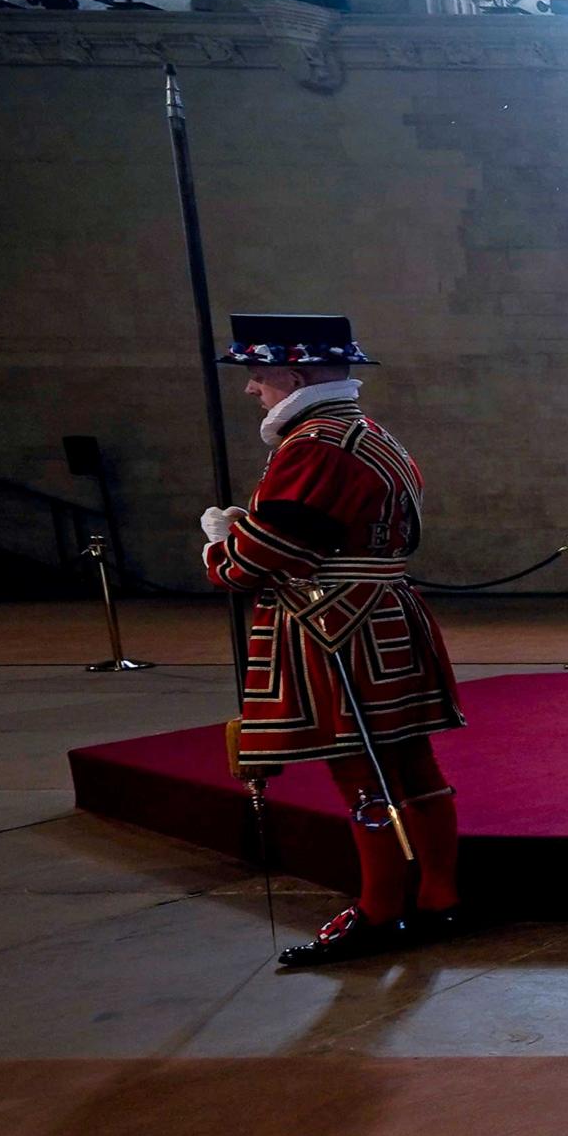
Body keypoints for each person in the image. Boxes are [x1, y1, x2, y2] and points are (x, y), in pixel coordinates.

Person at [198, 312, 465, 969]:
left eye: (258, 375)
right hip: (384, 613)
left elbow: (255, 561)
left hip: (336, 624)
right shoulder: (371, 435)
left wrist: (219, 543)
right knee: (409, 765)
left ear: (295, 375)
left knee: (360, 770)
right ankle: (438, 895)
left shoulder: (315, 445)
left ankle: (380, 911)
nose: (251, 388)